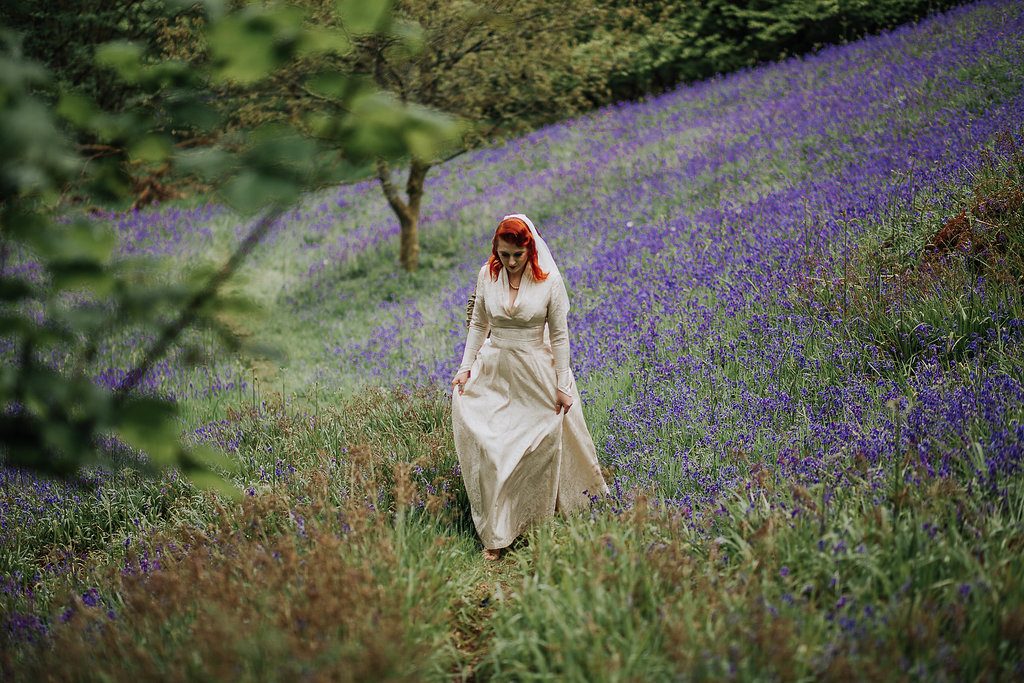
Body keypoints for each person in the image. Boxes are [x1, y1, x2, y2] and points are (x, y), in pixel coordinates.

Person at [451, 214, 609, 561]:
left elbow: (560, 336)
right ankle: (497, 533)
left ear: (530, 250)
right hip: (494, 370)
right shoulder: (486, 274)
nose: (509, 262)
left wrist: (563, 383)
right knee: (493, 449)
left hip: (533, 372)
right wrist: (465, 368)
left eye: (516, 255)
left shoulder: (548, 281)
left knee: (532, 447)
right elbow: (479, 323)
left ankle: (532, 523)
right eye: (503, 254)